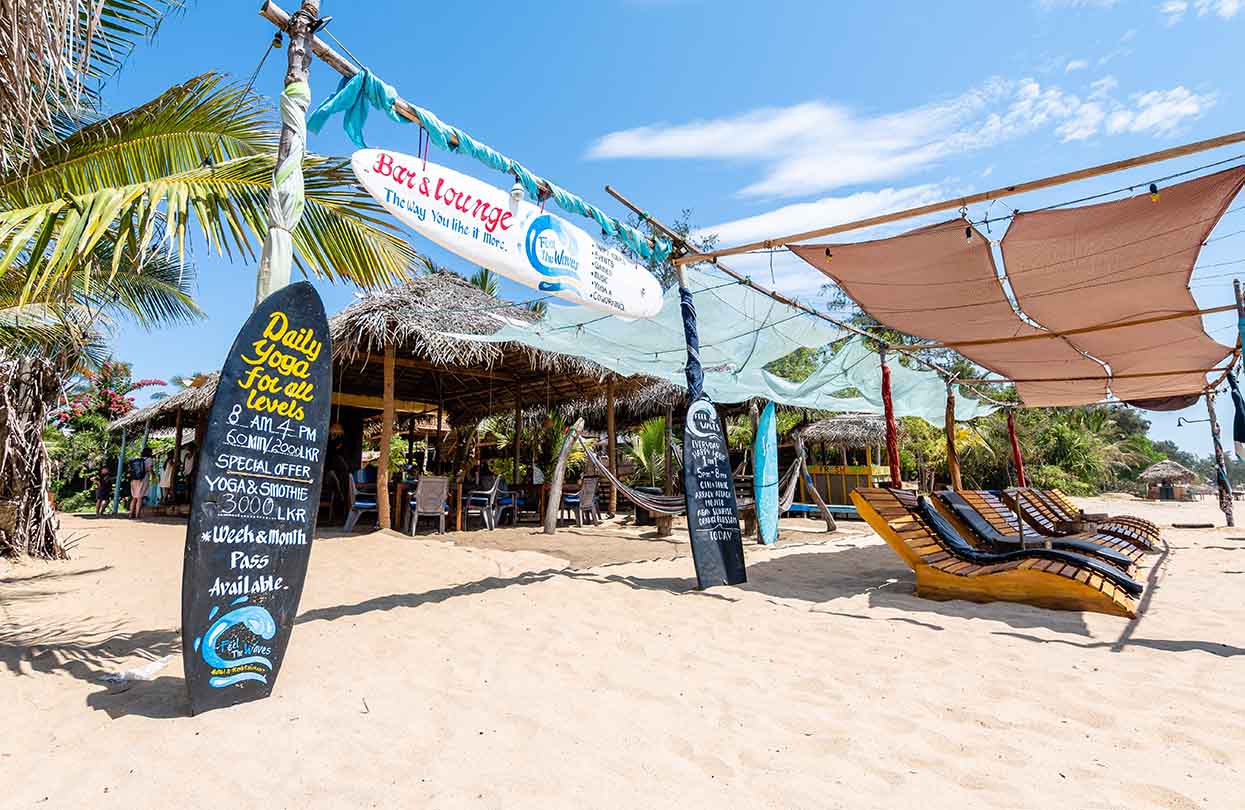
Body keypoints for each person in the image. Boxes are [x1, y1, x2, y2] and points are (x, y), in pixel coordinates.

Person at [128, 447, 154, 518]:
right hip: (143, 479)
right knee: (140, 498)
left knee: (134, 498)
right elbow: (150, 469)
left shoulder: (138, 460)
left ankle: (130, 514)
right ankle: (137, 515)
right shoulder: (149, 459)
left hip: (134, 479)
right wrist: (153, 475)